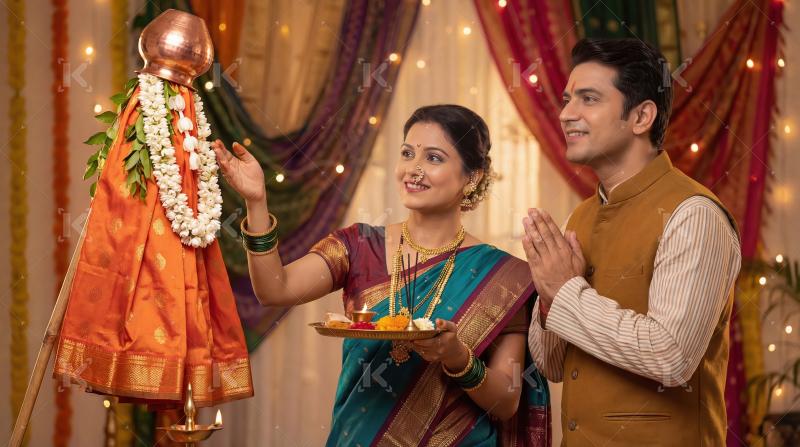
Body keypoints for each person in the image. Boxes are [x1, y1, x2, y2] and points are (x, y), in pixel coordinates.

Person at [212, 104, 551, 446]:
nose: (413, 170)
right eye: (407, 153)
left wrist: (458, 358)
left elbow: (506, 403)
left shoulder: (504, 277)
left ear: (472, 177)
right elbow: (275, 289)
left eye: (433, 158)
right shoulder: (359, 246)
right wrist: (257, 203)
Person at [523, 38, 742, 446]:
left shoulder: (693, 214)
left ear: (641, 116)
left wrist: (565, 291)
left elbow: (671, 357)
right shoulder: (582, 216)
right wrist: (550, 296)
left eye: (589, 99)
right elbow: (553, 365)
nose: (566, 114)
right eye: (567, 99)